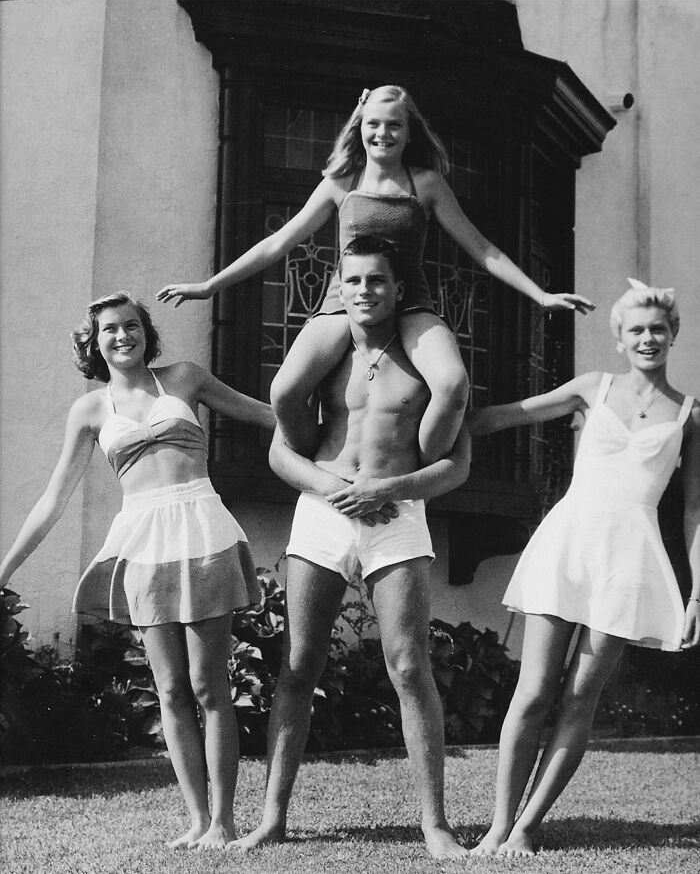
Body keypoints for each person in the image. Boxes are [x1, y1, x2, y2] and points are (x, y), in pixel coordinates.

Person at [156, 84, 593, 465]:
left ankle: (419, 463)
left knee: (452, 384)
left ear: (408, 133)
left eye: (393, 126)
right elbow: (278, 243)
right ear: (359, 127)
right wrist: (209, 286)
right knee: (285, 391)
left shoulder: (427, 184)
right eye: (373, 124)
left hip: (411, 303)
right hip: (344, 301)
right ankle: (320, 458)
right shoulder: (340, 183)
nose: (382, 133)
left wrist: (540, 296)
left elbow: (483, 249)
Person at [0, 293, 276, 850]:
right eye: (109, 330)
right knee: (171, 689)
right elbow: (53, 499)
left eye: (131, 326)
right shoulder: (91, 410)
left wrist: (351, 432)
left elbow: (268, 415)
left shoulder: (185, 379)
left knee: (209, 685)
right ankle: (198, 820)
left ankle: (224, 821)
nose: (122, 336)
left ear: (147, 334)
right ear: (93, 343)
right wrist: (4, 568)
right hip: (143, 543)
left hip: (202, 529)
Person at [228, 236, 472, 859]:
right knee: (299, 664)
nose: (365, 291)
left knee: (409, 665)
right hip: (325, 514)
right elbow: (283, 451)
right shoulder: (325, 358)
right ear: (340, 288)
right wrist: (331, 485)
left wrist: (390, 487)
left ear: (397, 290)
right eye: (355, 281)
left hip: (396, 513)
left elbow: (456, 465)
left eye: (378, 282)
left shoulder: (421, 355)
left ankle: (435, 824)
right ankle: (272, 818)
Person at [467, 278, 700, 857]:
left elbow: (695, 512)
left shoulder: (691, 416)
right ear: (619, 339)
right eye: (637, 330)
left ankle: (527, 828)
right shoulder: (593, 387)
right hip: (569, 543)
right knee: (533, 691)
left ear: (674, 336)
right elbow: (500, 418)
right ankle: (498, 825)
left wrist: (697, 595)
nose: (648, 338)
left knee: (579, 699)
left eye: (659, 330)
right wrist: (430, 415)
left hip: (631, 560)